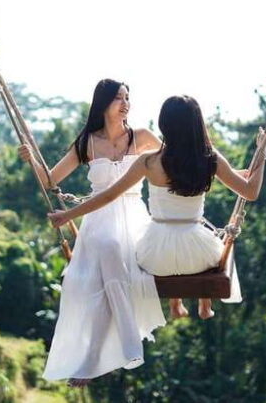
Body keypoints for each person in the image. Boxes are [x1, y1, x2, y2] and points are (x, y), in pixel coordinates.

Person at [49, 95, 266, 320]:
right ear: (197, 123)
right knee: (218, 248)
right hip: (198, 255)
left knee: (148, 246)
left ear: (164, 125)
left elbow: (108, 196)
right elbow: (250, 192)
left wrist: (68, 215)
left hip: (155, 257)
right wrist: (261, 155)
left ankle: (182, 303)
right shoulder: (209, 159)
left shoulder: (149, 161)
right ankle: (205, 303)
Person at [20, 78, 165, 388]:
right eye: (118, 98)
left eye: (128, 97)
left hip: (134, 216)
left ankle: (99, 357)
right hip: (97, 220)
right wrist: (32, 159)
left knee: (111, 254)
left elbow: (176, 160)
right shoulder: (87, 142)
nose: (126, 103)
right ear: (104, 103)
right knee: (105, 254)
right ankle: (121, 349)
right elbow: (50, 180)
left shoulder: (142, 137)